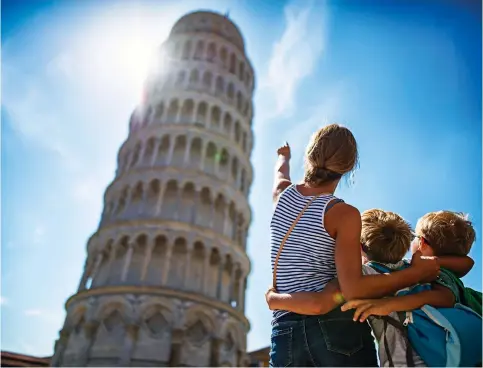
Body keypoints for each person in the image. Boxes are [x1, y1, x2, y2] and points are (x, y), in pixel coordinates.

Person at [268, 124, 439, 367]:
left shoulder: (282, 196)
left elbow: (280, 175)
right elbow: (353, 288)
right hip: (334, 329)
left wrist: (283, 156)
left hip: (283, 333)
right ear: (348, 168)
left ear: (310, 154)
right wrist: (415, 274)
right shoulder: (342, 214)